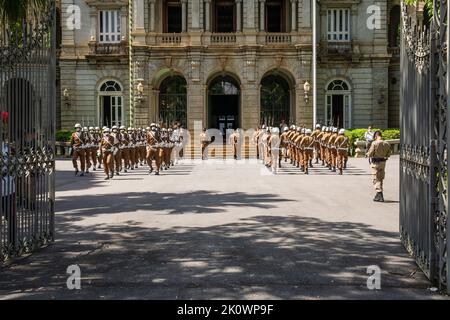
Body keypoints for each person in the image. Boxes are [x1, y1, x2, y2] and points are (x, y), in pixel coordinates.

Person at [366, 130, 391, 202]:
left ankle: (380, 194)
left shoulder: (374, 143)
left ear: (376, 136)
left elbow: (370, 153)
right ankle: (378, 194)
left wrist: (367, 154)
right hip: (383, 162)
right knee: (380, 178)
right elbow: (389, 154)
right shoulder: (386, 143)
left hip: (376, 163)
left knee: (376, 178)